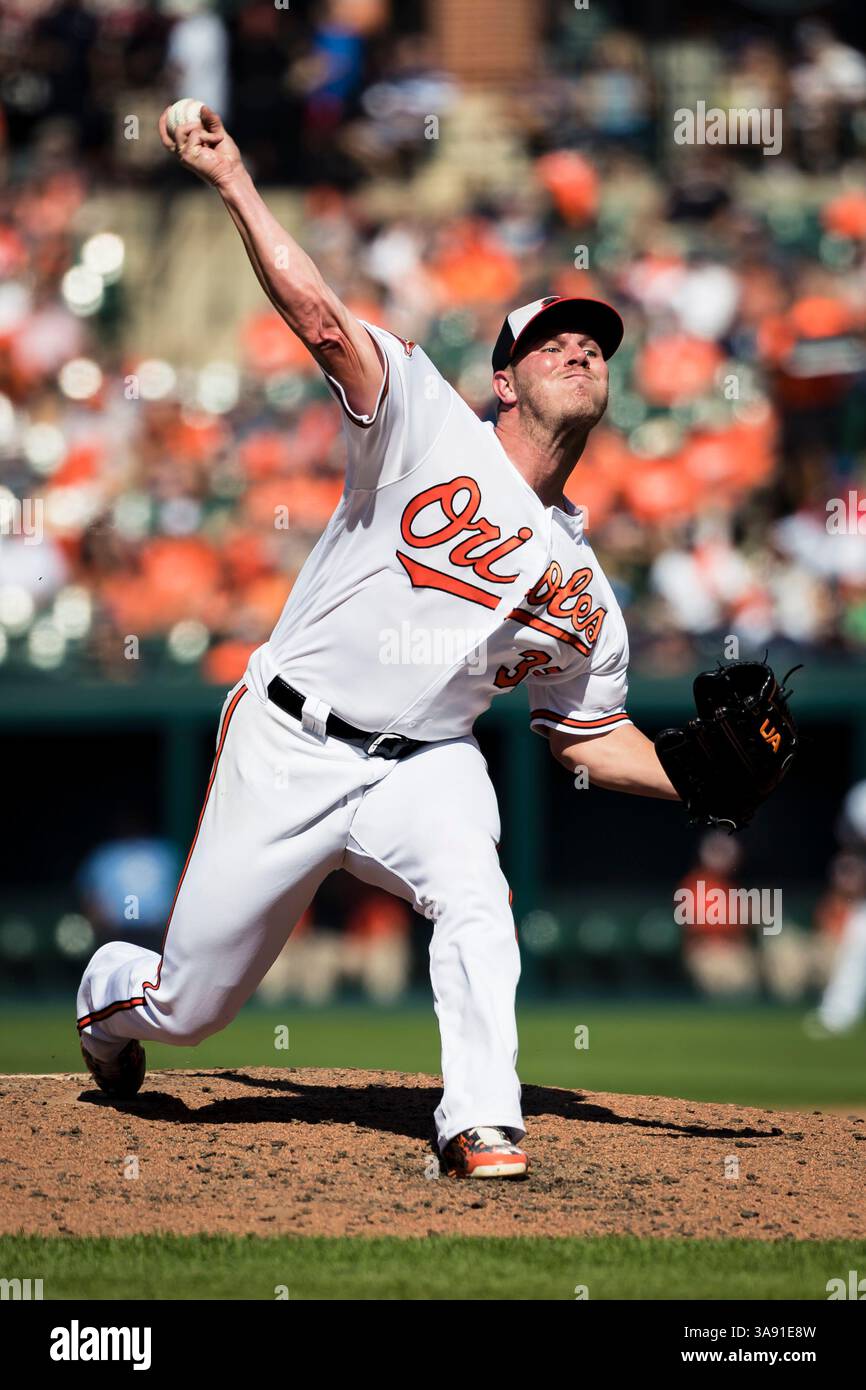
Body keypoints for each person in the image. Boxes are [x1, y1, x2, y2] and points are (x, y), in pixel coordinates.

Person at [76, 104, 680, 1180]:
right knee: (191, 1008)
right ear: (503, 379)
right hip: (290, 739)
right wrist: (233, 180)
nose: (578, 348)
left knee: (477, 896)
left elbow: (586, 736)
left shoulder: (587, 591)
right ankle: (106, 1001)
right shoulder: (426, 422)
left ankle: (480, 1121)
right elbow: (317, 318)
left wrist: (696, 777)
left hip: (428, 766)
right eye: (551, 339)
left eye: (593, 346)